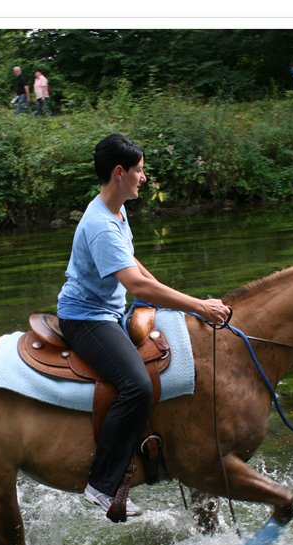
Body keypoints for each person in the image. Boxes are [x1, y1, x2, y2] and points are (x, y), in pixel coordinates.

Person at [57, 134, 230, 522]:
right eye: (138, 170)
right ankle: (101, 484)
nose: (144, 177)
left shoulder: (117, 211)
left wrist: (177, 301)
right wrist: (198, 305)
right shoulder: (101, 224)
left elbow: (135, 269)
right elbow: (136, 284)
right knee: (136, 385)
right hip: (86, 318)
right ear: (120, 173)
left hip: (111, 310)